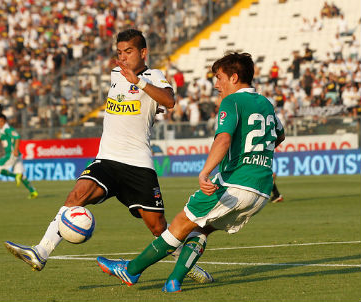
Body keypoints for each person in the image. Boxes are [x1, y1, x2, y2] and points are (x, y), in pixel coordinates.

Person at [4, 29, 213, 284]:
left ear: (143, 53)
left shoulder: (153, 76)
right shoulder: (115, 74)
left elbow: (169, 101)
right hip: (107, 159)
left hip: (138, 165)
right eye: (119, 53)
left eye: (128, 52)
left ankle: (187, 265)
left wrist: (140, 82)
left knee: (159, 228)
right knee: (75, 196)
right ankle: (41, 252)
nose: (122, 58)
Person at [96, 52, 285, 292]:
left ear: (234, 78)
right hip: (261, 191)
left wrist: (205, 173)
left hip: (237, 184)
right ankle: (173, 281)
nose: (216, 84)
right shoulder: (265, 103)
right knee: (201, 227)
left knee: (180, 223)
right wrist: (254, 153)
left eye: (219, 78)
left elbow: (223, 139)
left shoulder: (232, 101)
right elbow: (279, 135)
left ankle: (131, 270)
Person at [0, 113, 38, 199]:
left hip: (11, 154)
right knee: (21, 175)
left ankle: (15, 176)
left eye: (1, 121)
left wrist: (15, 150)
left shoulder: (7, 129)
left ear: (5, 121)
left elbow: (17, 137)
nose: (0, 123)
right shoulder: (1, 130)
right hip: (17, 155)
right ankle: (33, 192)